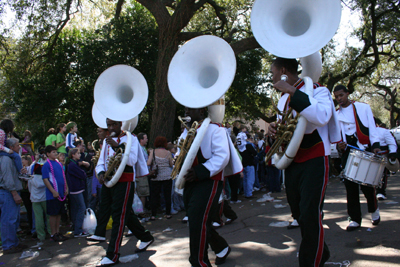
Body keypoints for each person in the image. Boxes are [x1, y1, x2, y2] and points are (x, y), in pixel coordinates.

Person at [268, 57, 340, 266]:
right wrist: (274, 130)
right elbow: (285, 128)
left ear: (283, 71)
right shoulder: (282, 99)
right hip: (292, 161)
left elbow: (321, 115)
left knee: (310, 214)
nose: (271, 78)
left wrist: (292, 92)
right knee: (299, 213)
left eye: (272, 73)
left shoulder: (318, 90)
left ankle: (310, 262)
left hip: (314, 158)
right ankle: (321, 253)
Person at [180, 107, 242, 267]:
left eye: (190, 108)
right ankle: (221, 248)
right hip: (190, 181)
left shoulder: (216, 129)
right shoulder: (187, 131)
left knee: (197, 222)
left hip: (209, 180)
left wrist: (200, 171)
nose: (186, 111)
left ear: (201, 112)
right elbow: (180, 153)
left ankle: (199, 262)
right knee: (198, 221)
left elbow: (222, 156)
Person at [86, 119, 154, 266]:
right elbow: (101, 162)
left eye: (114, 125)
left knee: (119, 216)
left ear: (120, 124)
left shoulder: (131, 138)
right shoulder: (106, 141)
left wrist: (118, 147)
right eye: (108, 125)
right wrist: (101, 172)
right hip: (109, 181)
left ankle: (112, 254)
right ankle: (146, 237)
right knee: (123, 213)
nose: (111, 128)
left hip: (124, 181)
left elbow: (131, 160)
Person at [334, 85, 382, 231]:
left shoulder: (363, 108)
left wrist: (375, 145)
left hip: (363, 147)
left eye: (341, 95)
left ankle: (374, 211)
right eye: (336, 97)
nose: (339, 99)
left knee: (367, 185)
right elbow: (335, 135)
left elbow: (372, 128)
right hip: (348, 152)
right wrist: (338, 146)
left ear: (347, 94)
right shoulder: (336, 114)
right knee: (350, 187)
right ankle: (354, 219)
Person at [0, 137, 28, 254]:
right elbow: (7, 179)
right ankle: (8, 245)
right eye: (17, 145)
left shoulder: (11, 159)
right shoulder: (6, 160)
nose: (19, 147)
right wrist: (14, 193)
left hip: (11, 192)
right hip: (8, 192)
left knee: (14, 219)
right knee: (8, 220)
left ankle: (14, 242)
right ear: (11, 147)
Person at [42, 145, 69, 242]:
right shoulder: (46, 165)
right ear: (48, 154)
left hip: (61, 193)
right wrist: (53, 191)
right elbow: (45, 179)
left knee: (59, 214)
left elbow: (63, 176)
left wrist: (66, 187)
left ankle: (58, 232)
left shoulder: (58, 164)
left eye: (55, 152)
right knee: (53, 214)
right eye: (53, 152)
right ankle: (53, 234)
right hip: (53, 194)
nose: (55, 153)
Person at [28, 149, 51, 247]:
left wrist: (36, 160)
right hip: (45, 197)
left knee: (38, 219)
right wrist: (45, 160)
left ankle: (41, 236)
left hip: (35, 198)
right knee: (49, 216)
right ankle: (51, 232)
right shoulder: (45, 177)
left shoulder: (32, 176)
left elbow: (29, 181)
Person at [147, 136, 174, 220]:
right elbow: (171, 164)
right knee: (167, 195)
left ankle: (153, 214)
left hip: (156, 176)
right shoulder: (168, 153)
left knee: (154, 195)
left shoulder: (153, 152)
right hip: (167, 175)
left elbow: (148, 163)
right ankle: (168, 213)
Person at [66, 148, 89, 237]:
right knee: (81, 208)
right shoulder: (72, 165)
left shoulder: (73, 164)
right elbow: (83, 174)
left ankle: (77, 227)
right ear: (73, 155)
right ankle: (78, 230)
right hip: (76, 190)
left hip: (76, 189)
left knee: (76, 209)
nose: (79, 155)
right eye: (78, 153)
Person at [375, 123, 397, 200]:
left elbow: (392, 143)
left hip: (382, 155)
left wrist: (392, 153)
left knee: (383, 174)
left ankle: (380, 191)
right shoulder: (363, 132)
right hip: (368, 156)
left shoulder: (384, 131)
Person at [240, 134, 258, 198]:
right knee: (250, 179)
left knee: (245, 180)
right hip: (249, 163)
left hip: (243, 164)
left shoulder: (240, 146)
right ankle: (249, 193)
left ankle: (246, 192)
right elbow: (255, 153)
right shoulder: (248, 145)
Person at [136, 132, 150, 211]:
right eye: (145, 138)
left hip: (142, 174)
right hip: (141, 175)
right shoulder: (140, 149)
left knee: (142, 194)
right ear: (141, 140)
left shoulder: (143, 148)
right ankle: (140, 212)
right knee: (142, 194)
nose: (147, 140)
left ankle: (140, 211)